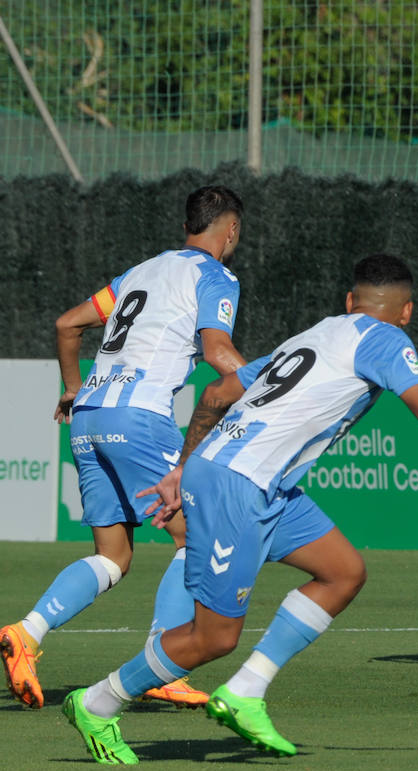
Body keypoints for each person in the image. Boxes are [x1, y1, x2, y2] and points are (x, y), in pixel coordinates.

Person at [62, 254, 418, 764]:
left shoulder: (317, 333)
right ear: (407, 312)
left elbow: (218, 391)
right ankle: (98, 702)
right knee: (212, 638)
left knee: (343, 572)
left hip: (258, 484)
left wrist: (183, 467)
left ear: (350, 301)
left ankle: (246, 692)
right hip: (237, 485)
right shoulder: (387, 338)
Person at [1, 186, 249, 711]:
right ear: (229, 231)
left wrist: (71, 389)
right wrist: (270, 387)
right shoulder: (216, 277)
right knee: (197, 535)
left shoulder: (139, 273)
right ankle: (163, 663)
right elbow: (218, 350)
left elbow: (67, 325)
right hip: (139, 418)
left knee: (112, 556)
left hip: (89, 415)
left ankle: (26, 633)